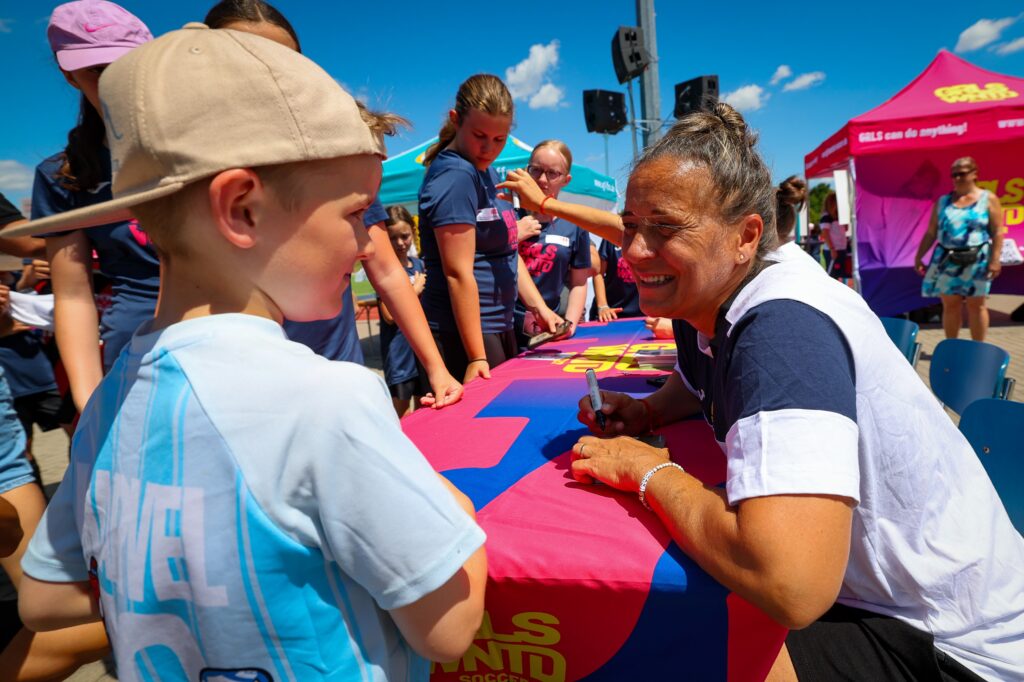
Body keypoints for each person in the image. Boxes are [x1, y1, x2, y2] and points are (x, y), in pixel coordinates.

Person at [11, 26, 487, 679]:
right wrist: (450, 506)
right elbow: (449, 627)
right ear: (241, 209)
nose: (363, 243)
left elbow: (41, 597)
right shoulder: (327, 397)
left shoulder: (110, 404)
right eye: (354, 213)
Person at [570, 103, 1024, 681]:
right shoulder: (723, 287)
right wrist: (648, 409)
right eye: (631, 225)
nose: (633, 252)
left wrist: (650, 473)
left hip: (952, 643)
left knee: (680, 647)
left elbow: (789, 582)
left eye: (664, 227)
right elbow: (698, 379)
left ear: (745, 235)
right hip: (900, 598)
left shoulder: (781, 330)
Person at [204, 0, 464, 408]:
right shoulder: (189, 180)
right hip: (244, 395)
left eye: (283, 66)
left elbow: (387, 272)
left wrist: (436, 367)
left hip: (336, 372)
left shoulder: (341, 167)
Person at [35, 1, 158, 415]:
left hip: (234, 340)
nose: (116, 80)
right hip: (134, 360)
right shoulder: (63, 175)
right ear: (69, 74)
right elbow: (72, 294)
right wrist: (89, 402)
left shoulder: (211, 144)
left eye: (127, 64)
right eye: (97, 70)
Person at [419, 74, 563, 382]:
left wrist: (538, 307)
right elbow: (458, 272)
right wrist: (476, 356)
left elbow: (507, 251)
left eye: (499, 139)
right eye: (479, 135)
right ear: (455, 120)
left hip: (497, 325)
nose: (488, 148)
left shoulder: (485, 171)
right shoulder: (455, 175)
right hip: (465, 333)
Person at [915, 157, 1004, 341]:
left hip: (977, 260)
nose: (957, 178)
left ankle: (977, 349)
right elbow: (931, 232)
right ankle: (952, 347)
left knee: (976, 305)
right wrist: (919, 256)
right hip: (947, 260)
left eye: (962, 174)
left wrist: (995, 260)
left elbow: (997, 232)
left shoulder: (988, 199)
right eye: (953, 175)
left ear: (974, 174)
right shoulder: (943, 202)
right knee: (950, 305)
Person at [514, 140, 592, 348]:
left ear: (566, 180)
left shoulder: (574, 225)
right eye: (536, 170)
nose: (541, 179)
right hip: (504, 327)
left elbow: (579, 282)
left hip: (549, 328)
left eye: (552, 173)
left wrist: (570, 324)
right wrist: (512, 233)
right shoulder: (509, 213)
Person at [380, 206, 429, 416]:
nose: (400, 243)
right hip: (399, 356)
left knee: (422, 409)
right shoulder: (385, 271)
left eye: (405, 236)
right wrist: (414, 290)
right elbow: (390, 316)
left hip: (422, 352)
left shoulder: (419, 265)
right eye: (393, 238)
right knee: (398, 411)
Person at [820, 192, 850, 280]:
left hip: (841, 249)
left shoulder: (838, 216)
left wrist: (845, 218)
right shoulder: (826, 216)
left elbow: (846, 228)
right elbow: (825, 234)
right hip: (833, 250)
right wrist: (832, 249)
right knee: (832, 276)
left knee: (840, 274)